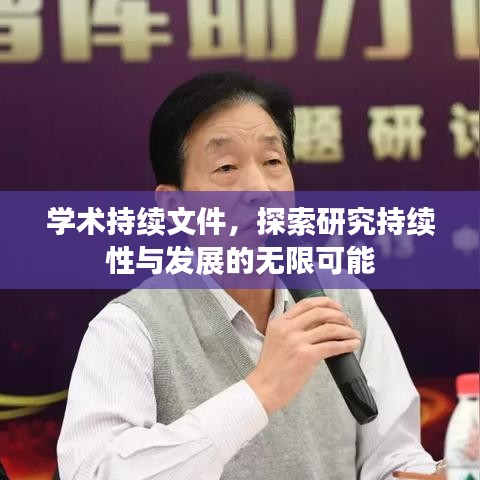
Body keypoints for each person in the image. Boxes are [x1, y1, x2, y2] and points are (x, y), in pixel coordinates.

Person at [57, 71, 440, 479]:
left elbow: (395, 459)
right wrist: (260, 391)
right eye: (226, 167)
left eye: (273, 161)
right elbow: (94, 471)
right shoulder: (130, 328)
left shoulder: (345, 299)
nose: (260, 188)